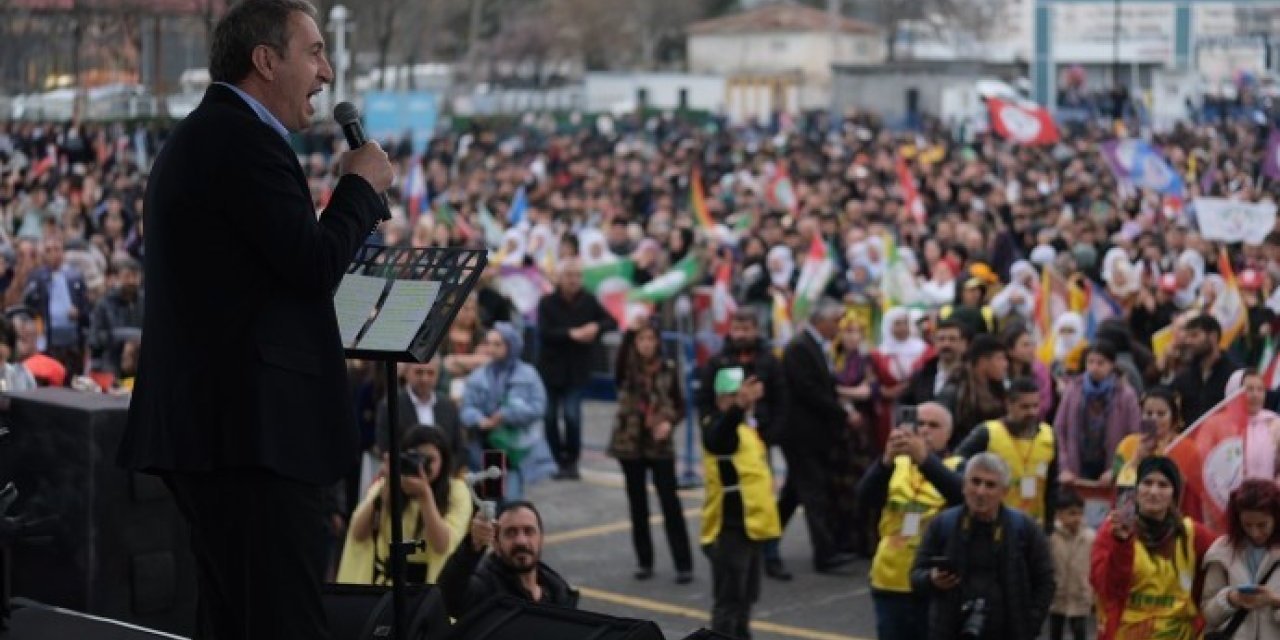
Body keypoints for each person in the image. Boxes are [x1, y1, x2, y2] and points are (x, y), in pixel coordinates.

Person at [116, 1, 395, 637]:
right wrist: (358, 187)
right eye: (315, 51)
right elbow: (311, 265)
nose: (327, 71)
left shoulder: (212, 135)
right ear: (265, 61)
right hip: (251, 439)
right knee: (279, 622)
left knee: (233, 618)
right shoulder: (244, 142)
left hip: (223, 433)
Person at [909, 452, 1054, 640]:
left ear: (1005, 492)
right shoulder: (943, 524)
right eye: (975, 482)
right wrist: (931, 579)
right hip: (950, 631)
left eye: (990, 485)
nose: (980, 491)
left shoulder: (1025, 528)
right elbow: (915, 576)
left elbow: (1045, 582)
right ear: (964, 486)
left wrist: (1029, 626)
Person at [857, 402, 963, 640]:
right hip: (890, 579)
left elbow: (960, 497)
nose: (925, 430)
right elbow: (863, 500)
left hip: (933, 582)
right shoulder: (896, 464)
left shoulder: (957, 466)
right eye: (920, 423)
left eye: (934, 425)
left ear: (949, 433)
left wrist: (925, 460)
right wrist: (884, 462)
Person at [697, 309, 791, 580]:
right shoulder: (718, 362)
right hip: (727, 442)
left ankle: (770, 553)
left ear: (756, 330)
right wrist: (712, 422)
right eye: (736, 329)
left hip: (759, 442)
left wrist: (770, 435)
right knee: (725, 496)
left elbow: (782, 400)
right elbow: (705, 400)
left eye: (746, 329)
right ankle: (723, 544)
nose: (741, 335)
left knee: (766, 495)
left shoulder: (769, 362)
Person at [1091, 456, 1214, 640]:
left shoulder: (1192, 534)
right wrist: (1121, 545)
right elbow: (1107, 590)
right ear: (1136, 489)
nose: (1153, 491)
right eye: (1147, 483)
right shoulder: (1112, 530)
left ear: (1175, 493)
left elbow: (1227, 553)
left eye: (1163, 485)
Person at [700, 367, 782, 639]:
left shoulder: (746, 426)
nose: (744, 401)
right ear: (722, 398)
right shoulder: (715, 425)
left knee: (747, 597)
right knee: (729, 601)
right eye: (734, 396)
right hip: (730, 528)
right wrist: (738, 408)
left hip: (753, 526)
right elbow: (720, 438)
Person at [609, 322, 693, 584]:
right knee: (638, 504)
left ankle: (683, 564)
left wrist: (668, 422)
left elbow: (680, 406)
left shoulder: (668, 369)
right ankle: (645, 561)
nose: (646, 343)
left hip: (660, 444)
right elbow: (621, 364)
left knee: (670, 503)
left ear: (658, 342)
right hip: (630, 443)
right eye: (641, 339)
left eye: (650, 338)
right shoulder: (627, 370)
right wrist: (628, 330)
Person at [778, 299, 858, 573]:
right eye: (835, 321)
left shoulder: (816, 347)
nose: (838, 327)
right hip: (801, 435)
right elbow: (810, 390)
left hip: (813, 434)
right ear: (820, 321)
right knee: (814, 493)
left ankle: (764, 542)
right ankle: (825, 554)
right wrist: (841, 412)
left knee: (793, 493)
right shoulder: (799, 348)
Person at [336, 427, 473, 585]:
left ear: (444, 460)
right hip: (387, 584)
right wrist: (385, 489)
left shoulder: (456, 491)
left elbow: (442, 545)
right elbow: (358, 534)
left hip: (429, 588)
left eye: (430, 460)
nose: (422, 466)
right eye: (417, 457)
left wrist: (425, 495)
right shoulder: (386, 485)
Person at [536, 257, 618, 479]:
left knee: (572, 416)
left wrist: (595, 327)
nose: (574, 280)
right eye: (569, 275)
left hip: (577, 370)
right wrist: (570, 334)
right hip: (552, 369)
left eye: (577, 276)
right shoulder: (547, 302)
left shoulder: (589, 301)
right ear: (560, 278)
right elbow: (544, 332)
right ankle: (557, 459)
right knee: (549, 417)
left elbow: (611, 321)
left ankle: (572, 460)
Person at [437, 500, 579, 620]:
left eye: (529, 531)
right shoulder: (486, 587)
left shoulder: (559, 592)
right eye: (511, 533)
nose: (521, 541)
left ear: (541, 539)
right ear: (496, 543)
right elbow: (447, 599)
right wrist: (472, 547)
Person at [460, 323, 556, 499]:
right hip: (484, 447)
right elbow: (466, 408)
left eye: (498, 344)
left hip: (515, 449)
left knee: (511, 500)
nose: (491, 349)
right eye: (489, 343)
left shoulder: (528, 374)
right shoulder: (478, 376)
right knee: (486, 499)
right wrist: (480, 420)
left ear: (511, 345)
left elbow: (538, 407)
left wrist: (506, 415)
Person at [955, 377, 1059, 531]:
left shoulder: (1049, 436)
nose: (1031, 412)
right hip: (994, 522)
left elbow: (1052, 486)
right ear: (1009, 405)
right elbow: (956, 462)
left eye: (1035, 406)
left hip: (1034, 525)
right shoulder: (988, 433)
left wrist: (1049, 526)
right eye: (1024, 407)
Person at [1202, 479, 1280, 640]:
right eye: (1247, 525)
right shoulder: (1222, 551)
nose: (1255, 533)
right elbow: (1208, 614)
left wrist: (1275, 601)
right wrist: (1230, 599)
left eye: (1262, 525)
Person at [1054, 342, 1141, 484]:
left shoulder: (1125, 394)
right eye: (1091, 362)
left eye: (1101, 363)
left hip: (1110, 467)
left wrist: (1117, 469)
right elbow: (1060, 428)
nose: (1094, 367)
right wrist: (1065, 467)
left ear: (1112, 364)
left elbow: (1134, 436)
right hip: (1077, 467)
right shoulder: (1074, 389)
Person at [376, 358, 467, 473]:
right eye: (419, 372)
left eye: (430, 373)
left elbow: (459, 448)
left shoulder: (447, 406)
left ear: (438, 375)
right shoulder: (390, 405)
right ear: (406, 373)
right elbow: (385, 447)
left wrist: (444, 472)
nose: (424, 379)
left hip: (445, 480)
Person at [23, 233, 88, 375]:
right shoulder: (36, 277)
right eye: (48, 250)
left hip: (72, 338)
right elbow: (29, 307)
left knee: (73, 376)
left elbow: (86, 309)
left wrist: (79, 312)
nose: (53, 254)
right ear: (43, 254)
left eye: (57, 249)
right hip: (48, 337)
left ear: (63, 252)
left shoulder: (75, 276)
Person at [937, 334, 1009, 446]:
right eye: (1000, 358)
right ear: (983, 361)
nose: (1005, 364)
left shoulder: (999, 391)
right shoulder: (955, 392)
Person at [1172, 314, 1239, 424]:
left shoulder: (1234, 374)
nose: (1188, 341)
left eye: (1194, 335)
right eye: (1187, 336)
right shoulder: (1184, 376)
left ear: (1213, 336)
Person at [1047, 491, 1094, 640]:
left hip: (1080, 594)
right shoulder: (1052, 538)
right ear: (1059, 515)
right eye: (1072, 514)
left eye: (1080, 514)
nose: (1077, 518)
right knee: (1055, 632)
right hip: (1057, 594)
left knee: (1080, 632)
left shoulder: (1090, 538)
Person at [87, 255, 143, 377]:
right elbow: (94, 338)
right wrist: (125, 337)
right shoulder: (104, 304)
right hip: (111, 363)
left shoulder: (145, 302)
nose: (132, 281)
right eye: (127, 277)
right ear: (117, 279)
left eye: (135, 277)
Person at [1225, 369, 1280, 481]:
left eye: (1260, 390)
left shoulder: (1275, 424)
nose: (1256, 395)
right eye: (1249, 389)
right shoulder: (1219, 425)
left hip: (1267, 495)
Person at [902, 319, 968, 406]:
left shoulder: (972, 376)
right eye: (941, 339)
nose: (946, 344)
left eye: (952, 339)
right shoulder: (921, 376)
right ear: (935, 343)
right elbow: (904, 405)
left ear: (963, 344)